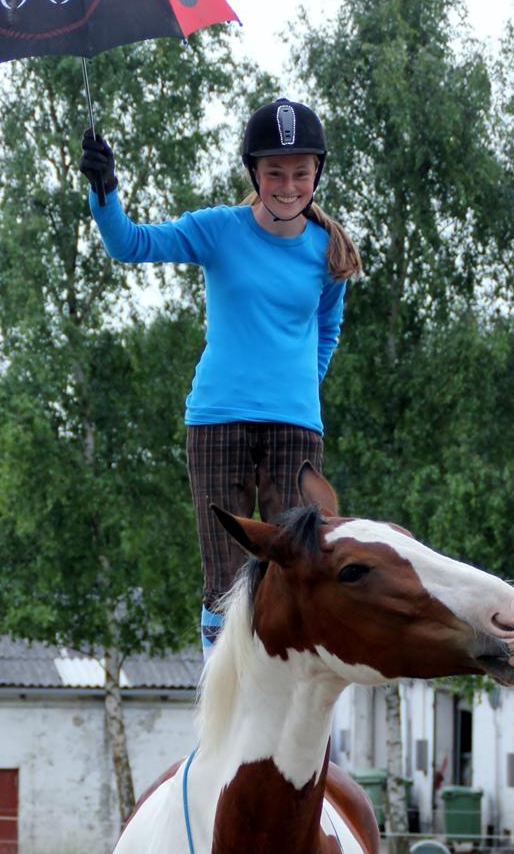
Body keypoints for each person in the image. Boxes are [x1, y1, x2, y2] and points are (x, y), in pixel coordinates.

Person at [79, 98, 361, 659]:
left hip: (294, 428)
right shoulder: (218, 230)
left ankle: (303, 729)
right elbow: (128, 244)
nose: (288, 185)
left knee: (302, 570)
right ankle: (224, 717)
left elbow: (327, 329)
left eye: (300, 173)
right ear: (253, 173)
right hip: (217, 422)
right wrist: (104, 190)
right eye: (275, 172)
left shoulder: (328, 250)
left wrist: (303, 386)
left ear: (317, 175)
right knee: (227, 576)